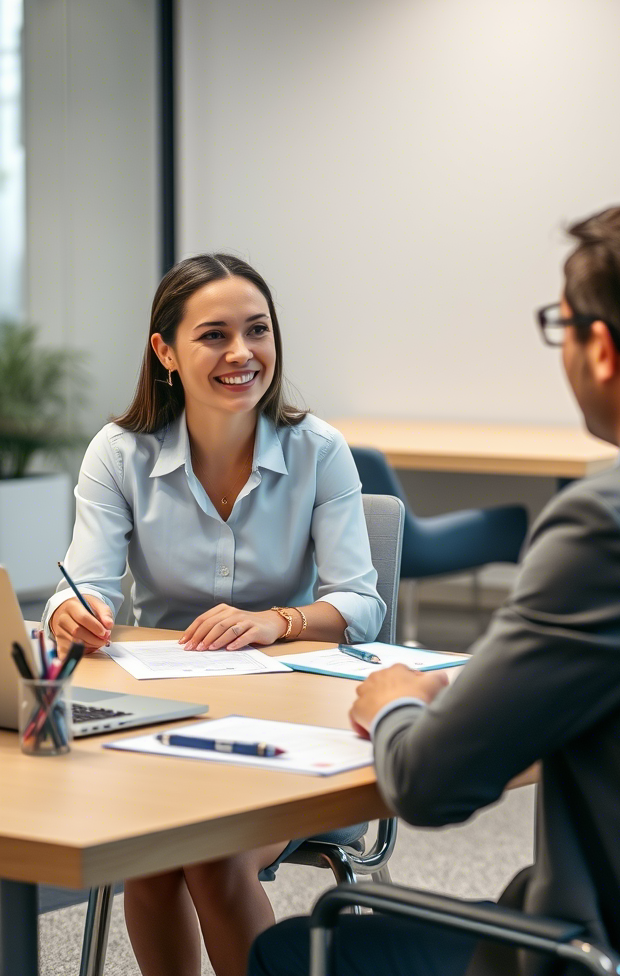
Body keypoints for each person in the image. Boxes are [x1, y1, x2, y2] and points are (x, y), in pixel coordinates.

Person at [250, 199, 620, 976]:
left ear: (599, 349)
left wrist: (391, 699)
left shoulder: (612, 522)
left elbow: (431, 784)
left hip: (619, 949)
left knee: (294, 952)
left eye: (560, 327)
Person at [42, 253, 385, 976]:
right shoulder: (120, 453)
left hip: (296, 723)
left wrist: (278, 621)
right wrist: (79, 611)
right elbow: (86, 582)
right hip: (161, 719)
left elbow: (362, 604)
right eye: (214, 335)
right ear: (165, 352)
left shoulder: (318, 450)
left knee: (207, 852)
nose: (242, 354)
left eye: (257, 331)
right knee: (154, 854)